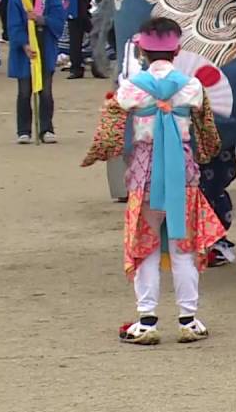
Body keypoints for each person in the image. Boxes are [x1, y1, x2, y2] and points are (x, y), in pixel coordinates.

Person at [82, 17, 227, 344]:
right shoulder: (191, 86)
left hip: (144, 171)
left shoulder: (132, 86)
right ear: (177, 50)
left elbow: (110, 124)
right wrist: (204, 152)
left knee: (145, 246)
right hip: (182, 170)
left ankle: (147, 319)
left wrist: (101, 152)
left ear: (143, 51)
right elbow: (208, 134)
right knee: (183, 246)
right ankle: (188, 319)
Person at [7, 0, 64, 144]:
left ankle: (46, 128)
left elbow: (58, 18)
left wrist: (41, 19)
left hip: (45, 45)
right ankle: (23, 130)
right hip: (25, 49)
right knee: (24, 91)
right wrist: (23, 44)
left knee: (45, 91)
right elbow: (13, 23)